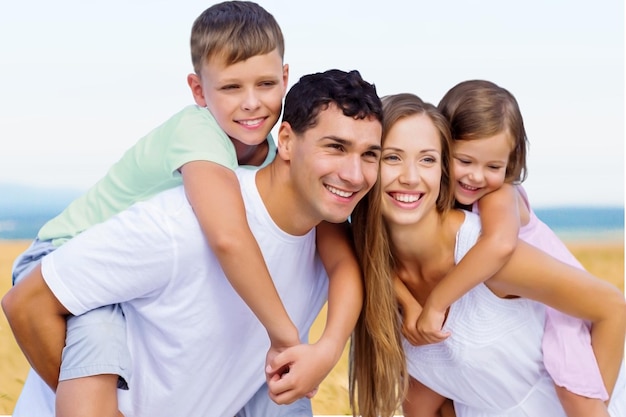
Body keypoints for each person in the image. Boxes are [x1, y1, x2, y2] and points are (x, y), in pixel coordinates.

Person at [8, 2, 362, 416]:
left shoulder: (274, 153)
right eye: (231, 88)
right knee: (97, 351)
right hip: (62, 256)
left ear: (284, 78)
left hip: (132, 281)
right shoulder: (199, 133)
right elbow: (228, 236)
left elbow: (340, 254)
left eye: (265, 84)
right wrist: (284, 336)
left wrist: (329, 346)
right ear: (198, 91)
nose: (251, 103)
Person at [349, 93, 626, 417]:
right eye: (392, 158)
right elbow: (434, 395)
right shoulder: (373, 271)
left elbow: (613, 306)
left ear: (443, 170)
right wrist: (409, 304)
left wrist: (596, 404)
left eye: (427, 159)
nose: (410, 177)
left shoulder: (484, 250)